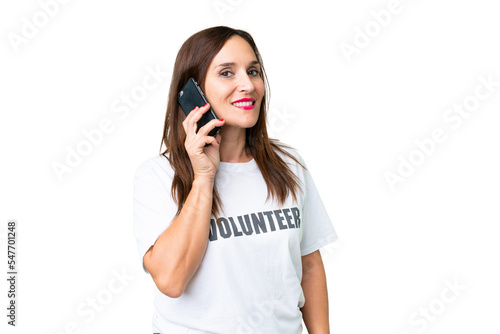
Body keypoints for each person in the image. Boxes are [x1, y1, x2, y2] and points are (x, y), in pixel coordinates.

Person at [133, 25, 338, 334]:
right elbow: (171, 281)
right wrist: (204, 176)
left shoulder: (289, 166)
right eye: (227, 73)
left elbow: (308, 264)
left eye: (253, 71)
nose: (248, 84)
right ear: (193, 90)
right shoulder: (158, 176)